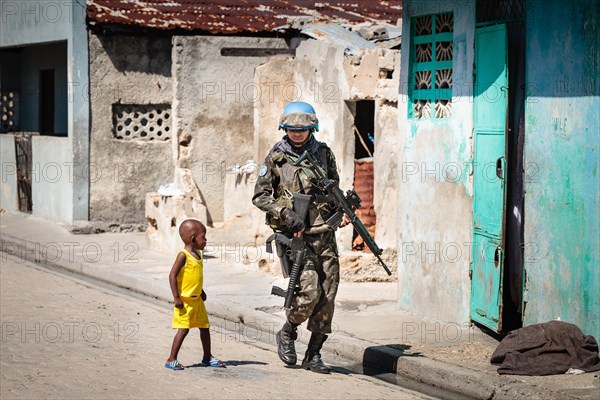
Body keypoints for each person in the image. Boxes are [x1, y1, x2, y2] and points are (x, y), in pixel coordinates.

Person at [253, 101, 350, 374]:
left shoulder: (323, 153)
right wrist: (283, 213)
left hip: (324, 234)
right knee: (309, 292)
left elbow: (333, 188)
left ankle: (313, 355)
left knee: (328, 296)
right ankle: (288, 331)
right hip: (295, 236)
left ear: (312, 129)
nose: (297, 134)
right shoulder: (277, 157)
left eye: (303, 129)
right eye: (292, 129)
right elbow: (260, 196)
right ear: (285, 129)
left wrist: (341, 212)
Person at [164, 219, 225, 370]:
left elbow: (194, 277)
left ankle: (207, 356)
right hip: (185, 302)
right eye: (203, 237)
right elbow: (172, 276)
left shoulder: (197, 254)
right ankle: (171, 359)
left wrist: (201, 291)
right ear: (193, 239)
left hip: (197, 300)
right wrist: (176, 297)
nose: (206, 240)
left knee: (204, 328)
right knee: (183, 330)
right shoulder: (183, 255)